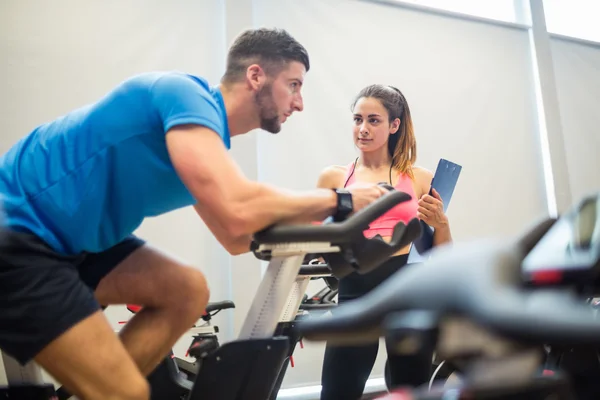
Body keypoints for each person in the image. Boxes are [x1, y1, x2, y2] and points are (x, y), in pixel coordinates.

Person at [0, 28, 390, 400]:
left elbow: (236, 238)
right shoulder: (186, 96)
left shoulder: (205, 139)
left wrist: (330, 230)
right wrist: (339, 200)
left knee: (185, 290)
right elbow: (239, 208)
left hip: (75, 242)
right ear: (256, 75)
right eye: (294, 85)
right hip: (21, 233)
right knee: (126, 392)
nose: (299, 102)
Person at [316, 84, 453, 400]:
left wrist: (441, 223)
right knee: (337, 391)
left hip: (407, 293)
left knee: (413, 389)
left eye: (374, 120)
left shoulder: (419, 178)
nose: (363, 129)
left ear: (394, 125)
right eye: (357, 119)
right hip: (355, 292)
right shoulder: (334, 178)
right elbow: (318, 245)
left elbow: (442, 254)